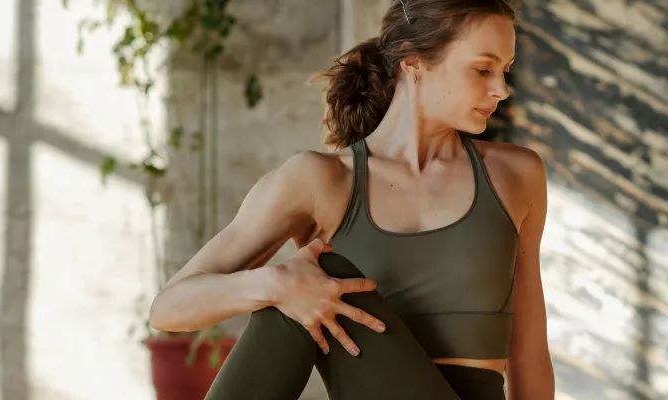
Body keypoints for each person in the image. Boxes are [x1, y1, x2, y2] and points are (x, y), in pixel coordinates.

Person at [147, 0, 554, 398]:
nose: (500, 89)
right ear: (413, 65)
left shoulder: (516, 177)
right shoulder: (320, 180)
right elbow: (169, 308)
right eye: (483, 69)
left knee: (322, 271)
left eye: (504, 71)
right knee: (303, 280)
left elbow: (529, 354)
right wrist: (273, 284)